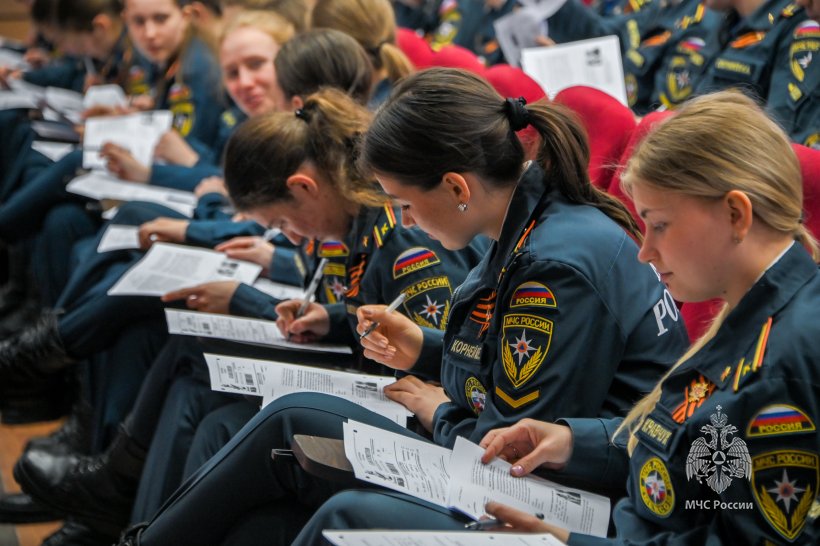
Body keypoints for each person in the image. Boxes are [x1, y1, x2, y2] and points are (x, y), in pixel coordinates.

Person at [112, 67, 687, 546]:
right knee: (267, 500)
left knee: (295, 442)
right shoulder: (533, 226)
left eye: (406, 205)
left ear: (457, 189)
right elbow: (505, 369)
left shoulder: (553, 264)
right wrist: (427, 348)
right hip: (546, 461)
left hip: (571, 494)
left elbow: (509, 444)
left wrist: (439, 410)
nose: (405, 221)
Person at [294, 89, 820, 546]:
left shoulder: (777, 365)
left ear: (736, 214)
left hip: (607, 523)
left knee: (343, 511)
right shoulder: (751, 315)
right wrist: (574, 442)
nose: (645, 251)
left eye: (659, 225)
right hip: (613, 515)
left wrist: (569, 541)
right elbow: (682, 447)